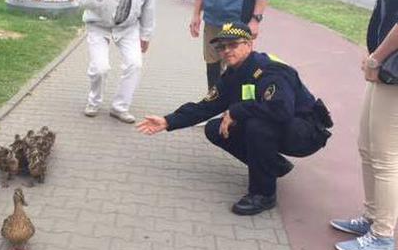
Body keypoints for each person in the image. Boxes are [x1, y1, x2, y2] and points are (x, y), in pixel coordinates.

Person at [137, 22, 331, 215]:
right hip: (280, 124)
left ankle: (263, 194)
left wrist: (236, 111)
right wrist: (168, 121)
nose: (227, 51)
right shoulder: (233, 73)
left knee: (258, 126)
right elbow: (206, 106)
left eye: (233, 45)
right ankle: (273, 165)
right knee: (216, 129)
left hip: (306, 132)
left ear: (249, 44)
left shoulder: (271, 70)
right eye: (222, 47)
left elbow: (280, 110)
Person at [331, 0, 398, 250]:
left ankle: (384, 234)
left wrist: (377, 55)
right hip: (386, 64)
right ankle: (372, 217)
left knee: (386, 154)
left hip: (392, 67)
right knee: (367, 145)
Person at [79, 0, 156, 124]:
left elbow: (149, 7)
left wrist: (146, 35)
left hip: (128, 26)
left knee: (135, 64)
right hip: (98, 24)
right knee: (100, 68)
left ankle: (119, 107)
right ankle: (94, 101)